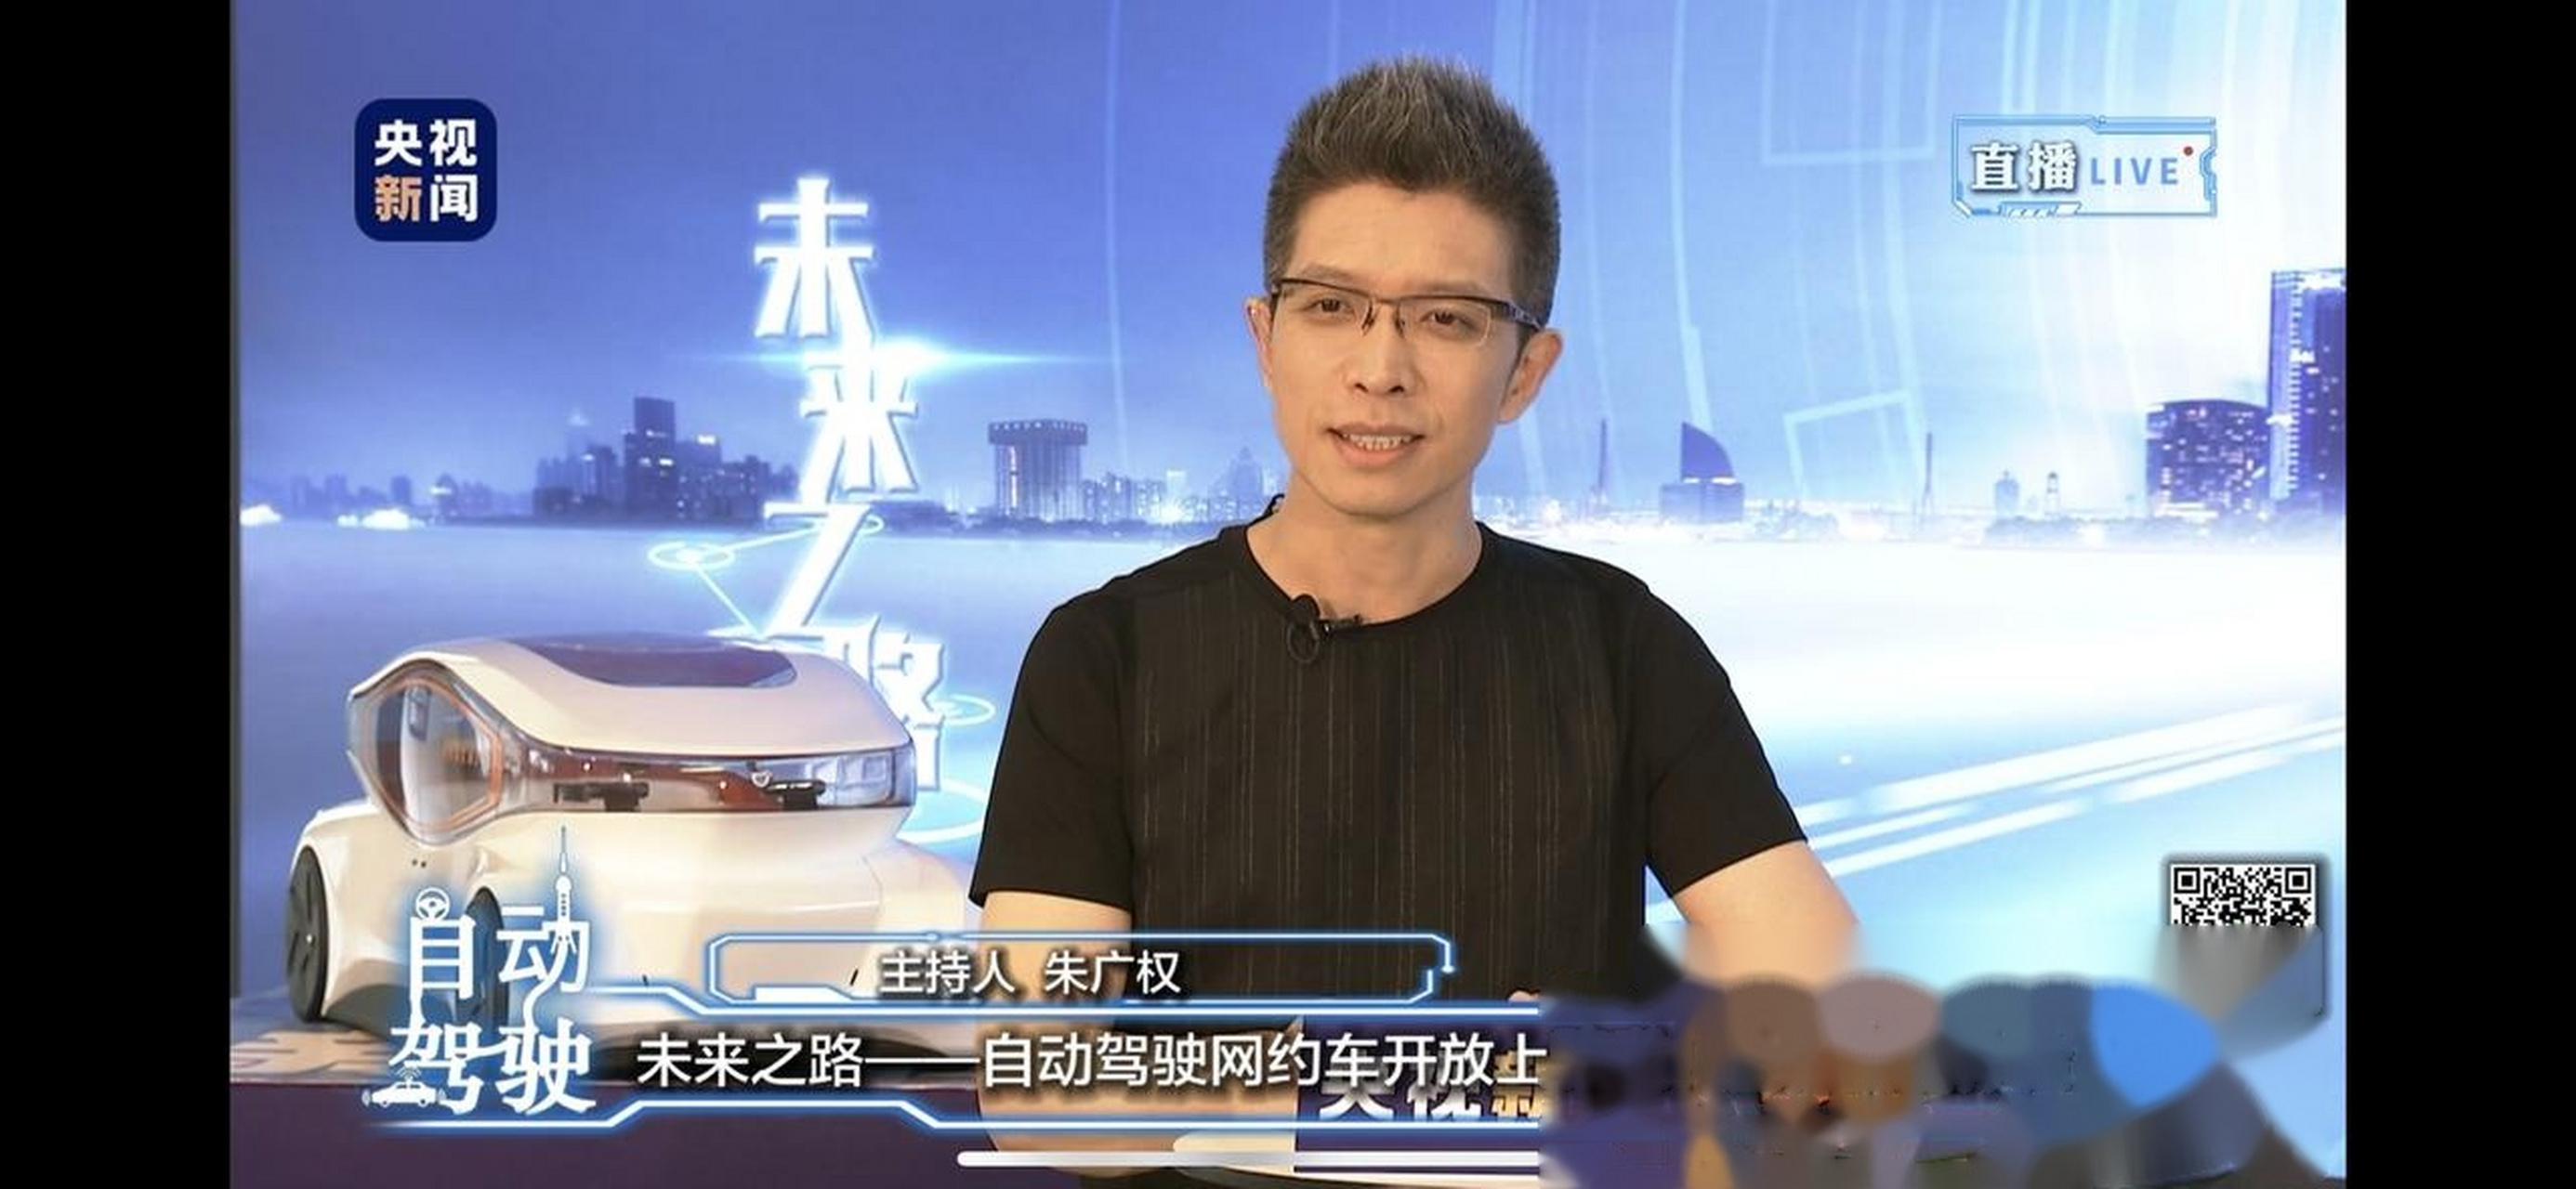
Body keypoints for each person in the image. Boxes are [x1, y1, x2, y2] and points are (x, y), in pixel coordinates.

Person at [968, 56, 1857, 1176]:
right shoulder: (1107, 654)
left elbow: (1817, 997)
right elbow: (1045, 1092)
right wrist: (1435, 1073)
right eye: (1331, 306)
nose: (1379, 368)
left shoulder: (1620, 644)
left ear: (1525, 370)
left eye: (1446, 318)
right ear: (1265, 336)